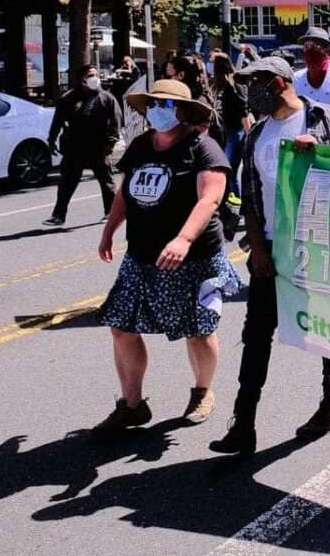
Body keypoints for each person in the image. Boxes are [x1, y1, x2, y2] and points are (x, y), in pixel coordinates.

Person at [209, 58, 330, 456]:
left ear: (278, 83)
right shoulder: (258, 132)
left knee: (324, 331)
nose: (249, 92)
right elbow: (252, 195)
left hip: (319, 246)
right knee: (256, 335)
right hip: (273, 249)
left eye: (254, 83)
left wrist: (323, 155)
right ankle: (243, 424)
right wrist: (257, 247)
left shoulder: (323, 119)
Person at [93, 80, 239, 435]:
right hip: (141, 256)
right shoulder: (142, 146)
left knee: (198, 330)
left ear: (185, 112)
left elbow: (210, 198)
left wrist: (184, 239)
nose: (158, 110)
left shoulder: (203, 148)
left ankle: (202, 392)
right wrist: (109, 230)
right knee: (121, 326)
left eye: (167, 104)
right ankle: (132, 405)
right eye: (154, 103)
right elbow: (125, 193)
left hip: (193, 258)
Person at [44, 64, 124, 226]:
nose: (93, 78)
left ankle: (110, 212)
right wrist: (51, 139)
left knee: (106, 181)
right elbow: (57, 121)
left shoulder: (106, 98)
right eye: (89, 75)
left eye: (95, 75)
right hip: (75, 147)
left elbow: (116, 121)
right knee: (66, 182)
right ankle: (58, 215)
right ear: (81, 79)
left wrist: (111, 141)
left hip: (99, 147)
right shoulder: (69, 98)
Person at [210, 53, 250, 197]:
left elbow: (243, 111)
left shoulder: (232, 85)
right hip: (228, 130)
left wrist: (249, 133)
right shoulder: (226, 84)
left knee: (230, 170)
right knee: (229, 169)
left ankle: (236, 203)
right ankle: (233, 200)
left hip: (235, 131)